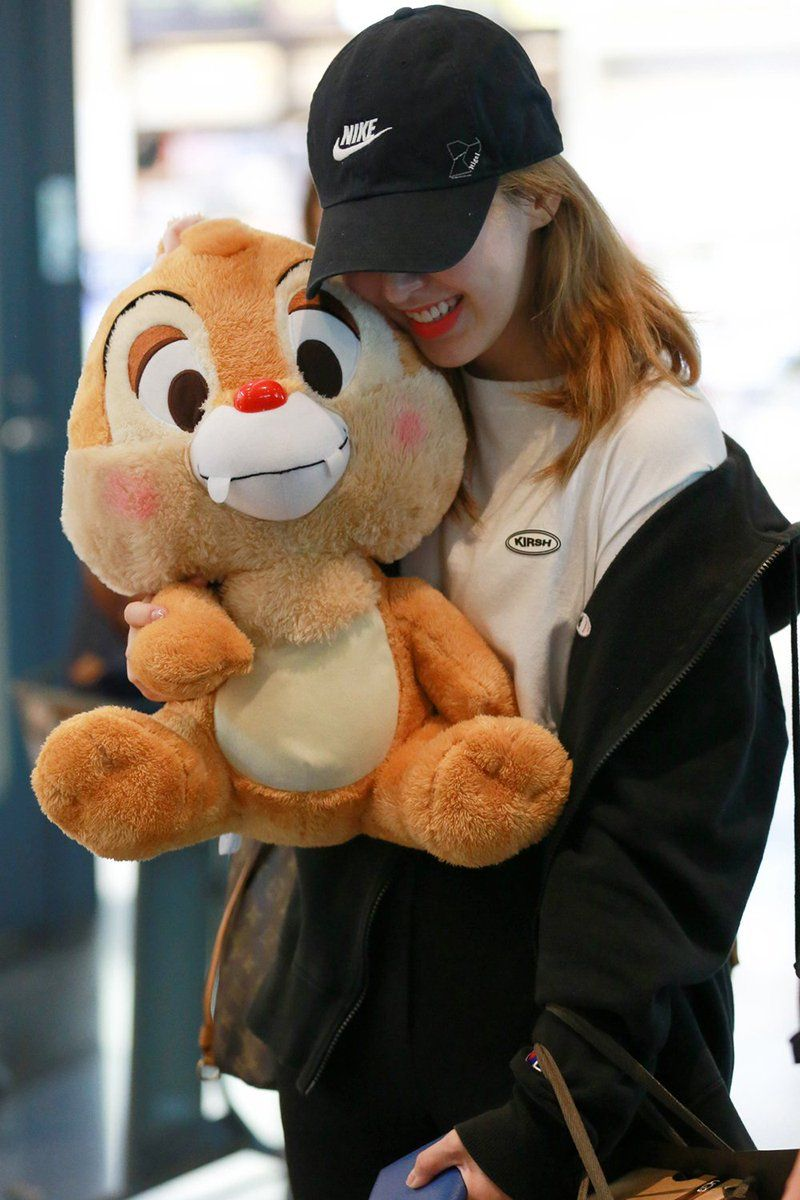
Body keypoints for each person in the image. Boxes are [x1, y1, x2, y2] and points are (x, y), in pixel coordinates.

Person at [127, 7, 800, 1199]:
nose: (399, 286)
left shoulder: (656, 460)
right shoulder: (358, 410)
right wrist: (198, 609)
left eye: (430, 237)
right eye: (368, 246)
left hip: (558, 1083)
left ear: (536, 196)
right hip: (343, 1055)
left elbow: (670, 829)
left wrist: (548, 1108)